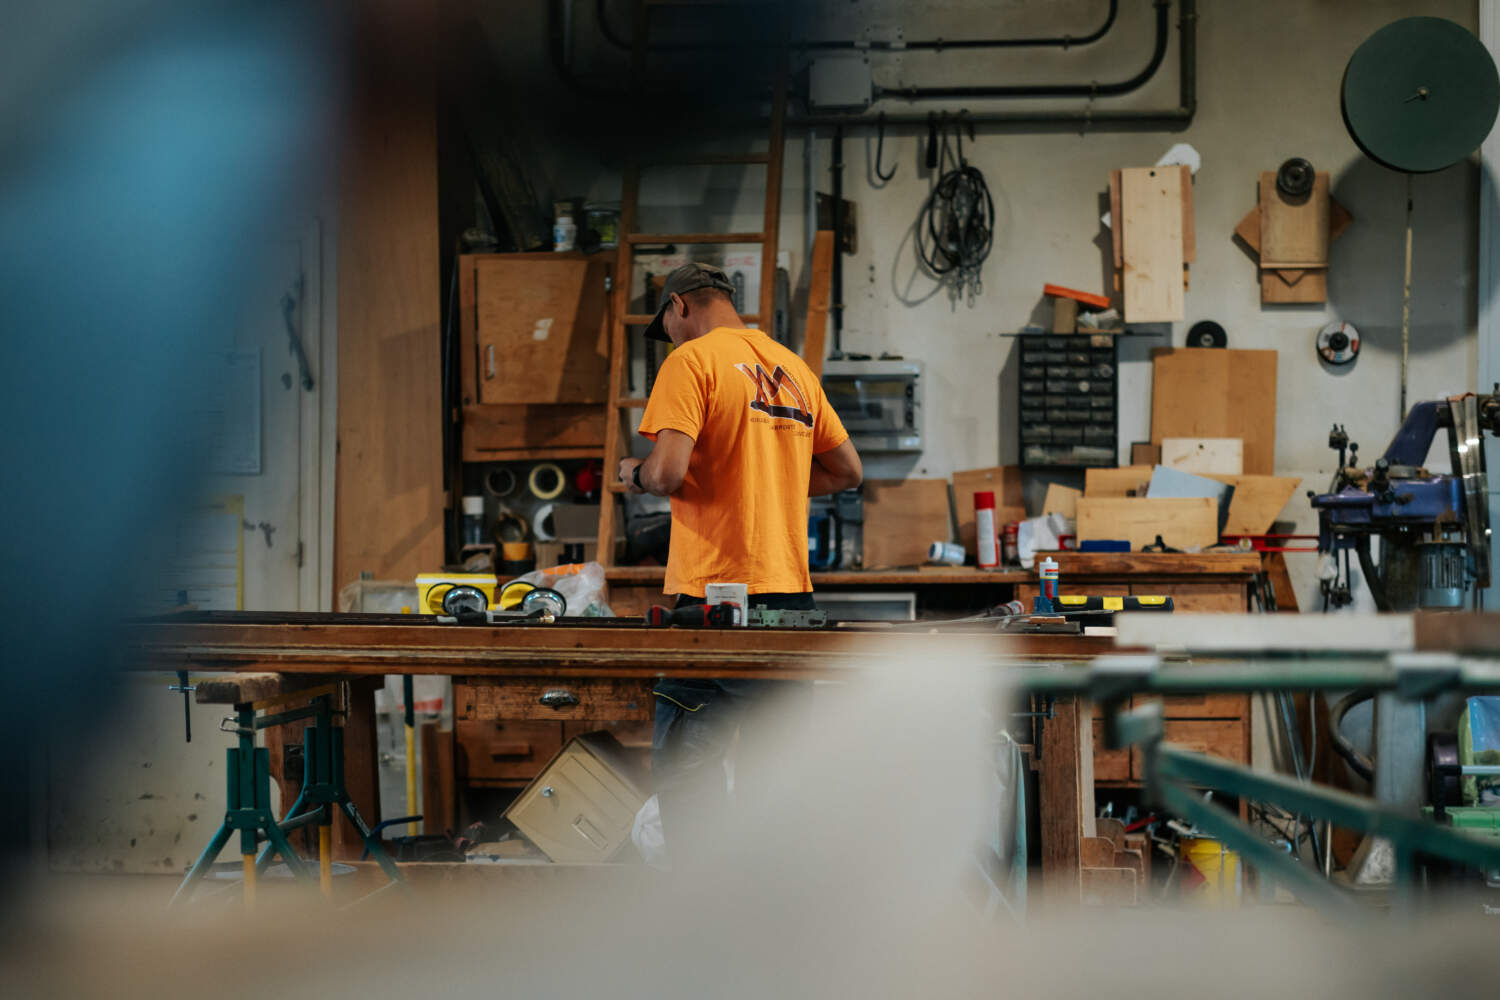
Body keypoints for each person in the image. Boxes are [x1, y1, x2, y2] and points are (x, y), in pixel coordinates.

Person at [618, 262, 862, 865]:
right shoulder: (793, 369)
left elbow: (669, 471)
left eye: (668, 325)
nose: (670, 338)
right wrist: (768, 479)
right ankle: (774, 927)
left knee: (690, 784)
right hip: (790, 606)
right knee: (775, 786)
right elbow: (848, 472)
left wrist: (636, 476)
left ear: (679, 306)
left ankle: (707, 932)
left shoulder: (691, 361)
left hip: (714, 603)